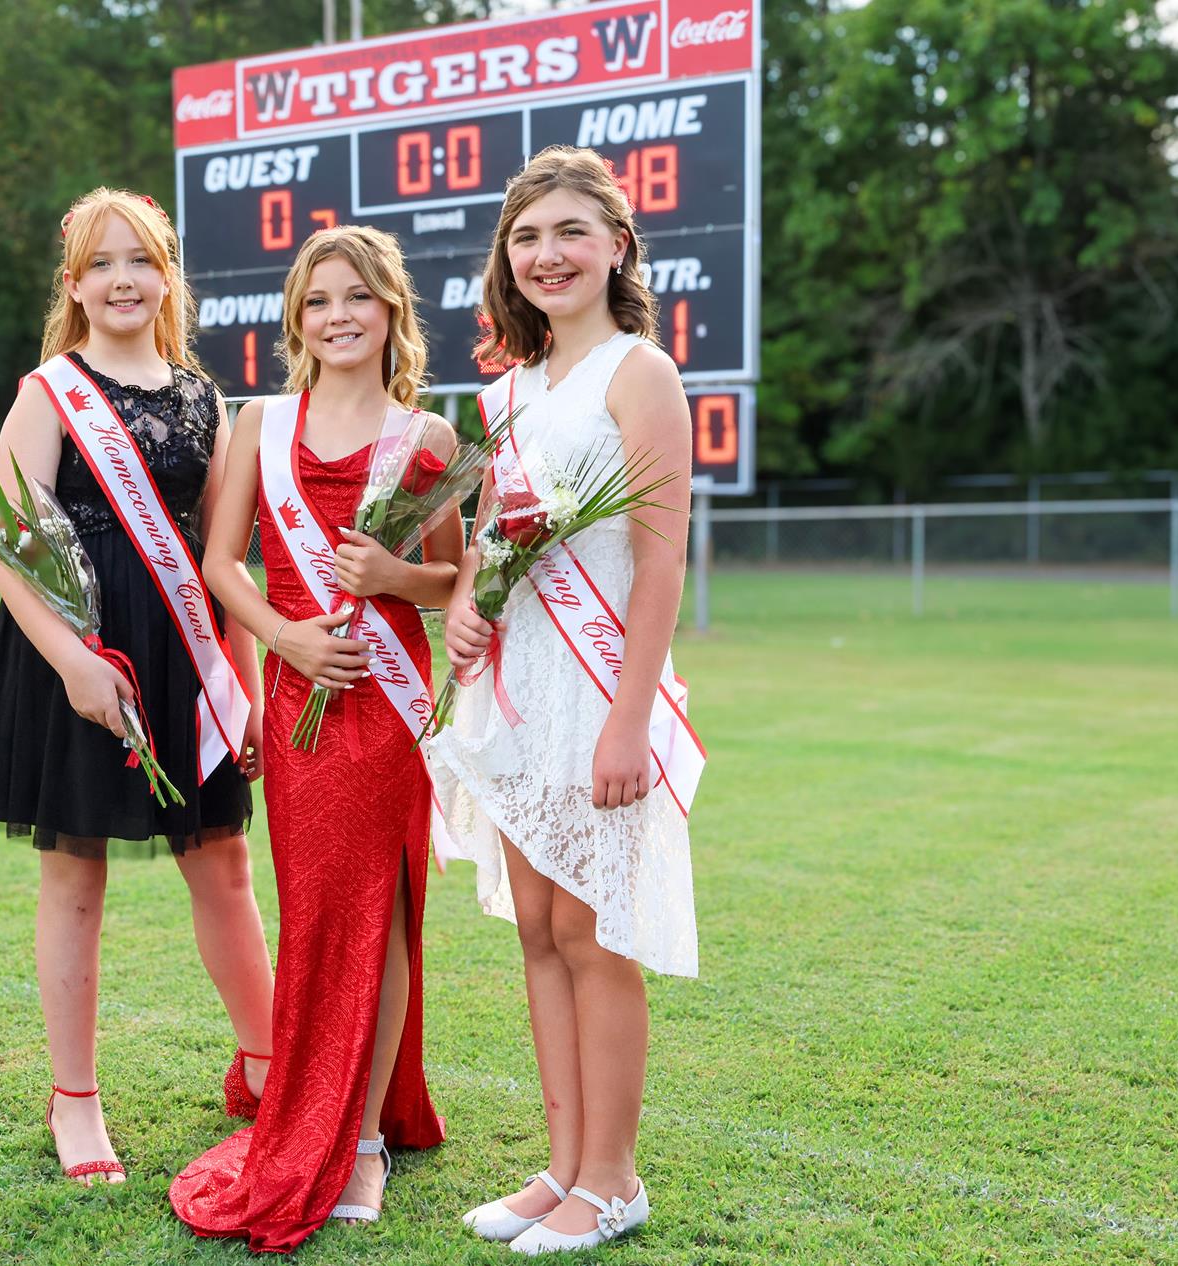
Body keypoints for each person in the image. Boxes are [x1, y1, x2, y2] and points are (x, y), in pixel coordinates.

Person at [0, 187, 274, 1185]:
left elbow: (224, 558)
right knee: (74, 879)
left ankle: (268, 1063)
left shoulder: (201, 398)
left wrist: (246, 684)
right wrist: (77, 664)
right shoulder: (50, 394)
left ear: (167, 276)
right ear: (74, 285)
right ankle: (74, 1101)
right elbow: (12, 554)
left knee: (221, 865)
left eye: (141, 260)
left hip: (184, 657)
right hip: (75, 657)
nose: (123, 278)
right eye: (101, 263)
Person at [427, 146, 705, 1254]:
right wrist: (460, 604)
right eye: (527, 237)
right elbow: (496, 539)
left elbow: (663, 557)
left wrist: (631, 715)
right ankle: (561, 1170)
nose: (547, 255)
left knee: (595, 936)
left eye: (570, 233)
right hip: (521, 685)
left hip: (599, 691)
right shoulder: (508, 391)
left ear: (616, 245)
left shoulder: (641, 374)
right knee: (539, 928)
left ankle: (614, 1180)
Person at [170, 225, 456, 1251]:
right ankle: (324, 1099)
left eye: (358, 298)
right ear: (298, 319)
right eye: (319, 300)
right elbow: (221, 564)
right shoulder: (260, 420)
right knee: (317, 913)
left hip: (386, 703)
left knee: (377, 911)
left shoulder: (428, 439)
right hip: (298, 703)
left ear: (391, 313)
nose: (339, 316)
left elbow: (455, 582)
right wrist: (284, 635)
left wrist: (393, 580)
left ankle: (367, 1138)